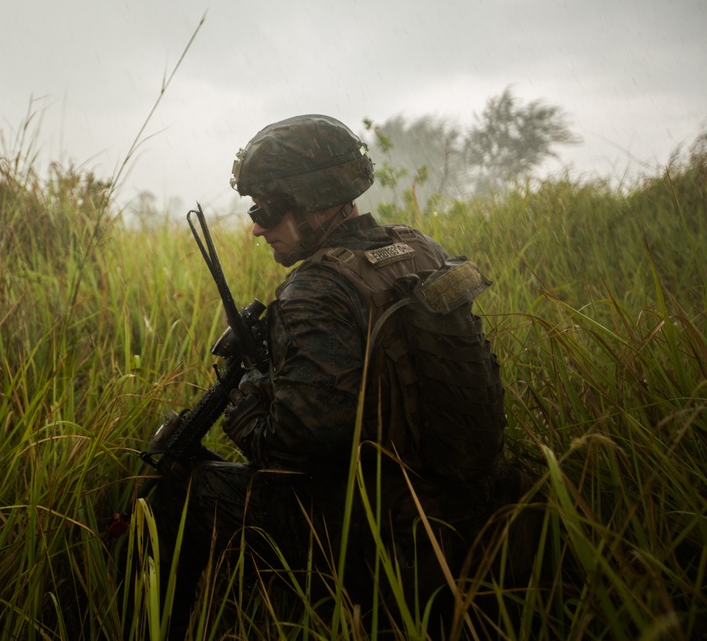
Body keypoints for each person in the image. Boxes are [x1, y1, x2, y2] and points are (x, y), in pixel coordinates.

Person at [145, 114, 531, 637]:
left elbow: (295, 445)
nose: (256, 225)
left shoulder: (316, 289)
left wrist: (250, 399)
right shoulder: (418, 248)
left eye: (265, 207)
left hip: (387, 540)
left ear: (312, 198)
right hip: (464, 511)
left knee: (181, 491)